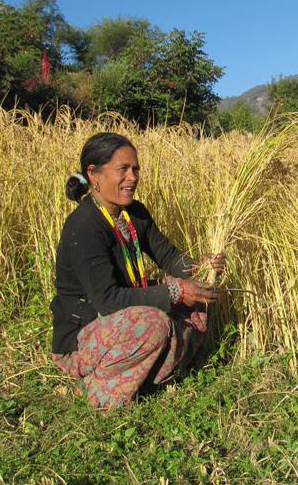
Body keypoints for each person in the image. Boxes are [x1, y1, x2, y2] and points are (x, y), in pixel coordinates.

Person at [50, 132, 225, 408]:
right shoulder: (84, 226)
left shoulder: (134, 213)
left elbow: (169, 258)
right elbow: (106, 300)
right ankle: (101, 389)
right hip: (83, 334)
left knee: (198, 302)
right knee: (155, 323)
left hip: (124, 317)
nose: (133, 177)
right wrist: (176, 292)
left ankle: (147, 375)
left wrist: (202, 266)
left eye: (136, 169)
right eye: (123, 169)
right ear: (93, 174)